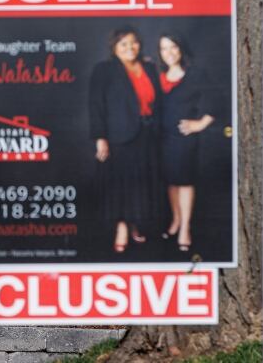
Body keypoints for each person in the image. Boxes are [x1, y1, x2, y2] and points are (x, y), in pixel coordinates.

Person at [89, 27, 162, 253]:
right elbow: (96, 105)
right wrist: (100, 138)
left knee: (141, 184)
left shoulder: (149, 67)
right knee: (121, 184)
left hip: (148, 134)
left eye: (133, 43)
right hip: (119, 136)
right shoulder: (104, 70)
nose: (130, 48)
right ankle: (121, 228)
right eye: (123, 44)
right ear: (114, 48)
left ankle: (134, 224)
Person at [157, 33, 215, 252]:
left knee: (184, 181)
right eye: (164, 49)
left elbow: (217, 101)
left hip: (183, 138)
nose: (169, 53)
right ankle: (176, 220)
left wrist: (199, 124)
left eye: (173, 47)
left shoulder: (195, 74)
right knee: (170, 181)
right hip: (161, 138)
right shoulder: (157, 74)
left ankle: (185, 229)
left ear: (180, 48)